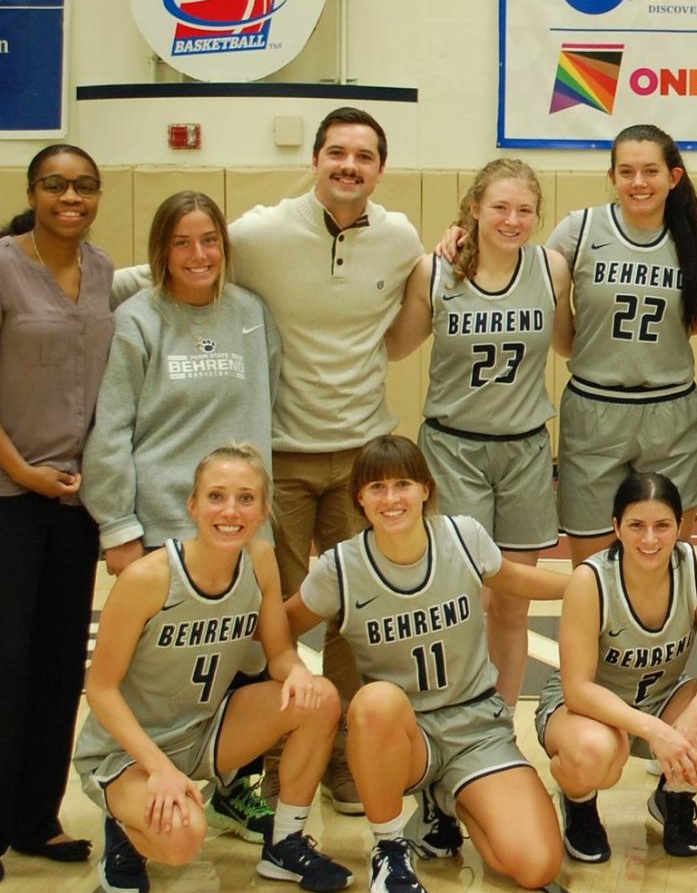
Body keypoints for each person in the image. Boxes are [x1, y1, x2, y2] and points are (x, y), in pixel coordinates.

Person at [236, 106, 427, 814]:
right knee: (278, 616)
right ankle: (281, 758)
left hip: (360, 459)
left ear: (380, 168)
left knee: (359, 615)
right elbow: (177, 262)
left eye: (365, 156)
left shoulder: (399, 237)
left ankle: (348, 758)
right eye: (337, 153)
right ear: (315, 159)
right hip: (279, 456)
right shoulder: (259, 234)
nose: (350, 165)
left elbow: (406, 331)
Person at [286, 436, 568, 893]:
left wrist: (596, 583)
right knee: (373, 701)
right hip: (402, 735)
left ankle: (447, 803)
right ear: (360, 497)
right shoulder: (341, 566)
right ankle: (389, 847)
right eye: (377, 487)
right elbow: (282, 626)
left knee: (533, 865)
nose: (391, 498)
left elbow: (516, 581)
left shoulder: (462, 537)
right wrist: (288, 664)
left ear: (425, 489)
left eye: (402, 484)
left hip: (475, 728)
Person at [81, 190, 283, 844]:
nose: (198, 255)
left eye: (209, 241)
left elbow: (267, 403)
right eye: (182, 242)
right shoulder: (139, 320)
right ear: (161, 252)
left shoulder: (252, 314)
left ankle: (233, 786)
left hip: (241, 524)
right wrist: (119, 528)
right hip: (164, 526)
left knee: (244, 652)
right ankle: (127, 792)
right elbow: (110, 432)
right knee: (152, 670)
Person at [74, 446, 352, 893]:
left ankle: (285, 842)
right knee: (184, 838)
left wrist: (297, 672)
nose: (230, 510)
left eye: (246, 499)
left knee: (319, 697)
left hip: (204, 732)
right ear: (193, 505)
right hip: (127, 752)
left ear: (263, 511)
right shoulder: (148, 578)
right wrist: (157, 767)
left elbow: (279, 651)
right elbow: (100, 689)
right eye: (216, 496)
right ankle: (124, 826)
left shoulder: (260, 560)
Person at [385, 159, 570, 702]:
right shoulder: (434, 271)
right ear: (473, 208)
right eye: (500, 207)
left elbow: (568, 344)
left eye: (524, 210)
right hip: (453, 447)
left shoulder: (551, 268)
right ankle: (451, 715)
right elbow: (396, 347)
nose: (512, 220)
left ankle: (501, 725)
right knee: (462, 599)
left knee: (512, 603)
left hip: (526, 450)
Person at [537, 471, 697, 862]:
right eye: (637, 526)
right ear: (616, 527)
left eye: (662, 526)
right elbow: (578, 689)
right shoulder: (590, 581)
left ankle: (675, 797)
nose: (650, 539)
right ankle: (580, 805)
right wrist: (655, 730)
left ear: (680, 527)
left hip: (662, 697)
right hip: (588, 711)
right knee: (597, 752)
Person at [0, 144, 113, 879]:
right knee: (5, 661)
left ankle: (35, 817)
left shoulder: (103, 271)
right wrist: (23, 472)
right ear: (34, 191)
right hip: (10, 495)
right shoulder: (4, 264)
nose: (69, 197)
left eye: (83, 186)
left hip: (78, 505)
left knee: (55, 663)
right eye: (55, 185)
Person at [543, 125, 697, 566]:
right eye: (626, 171)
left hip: (670, 409)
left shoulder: (693, 241)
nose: (638, 182)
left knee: (666, 559)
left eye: (650, 171)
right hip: (594, 406)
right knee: (591, 567)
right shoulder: (579, 230)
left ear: (673, 177)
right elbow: (528, 281)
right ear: (613, 176)